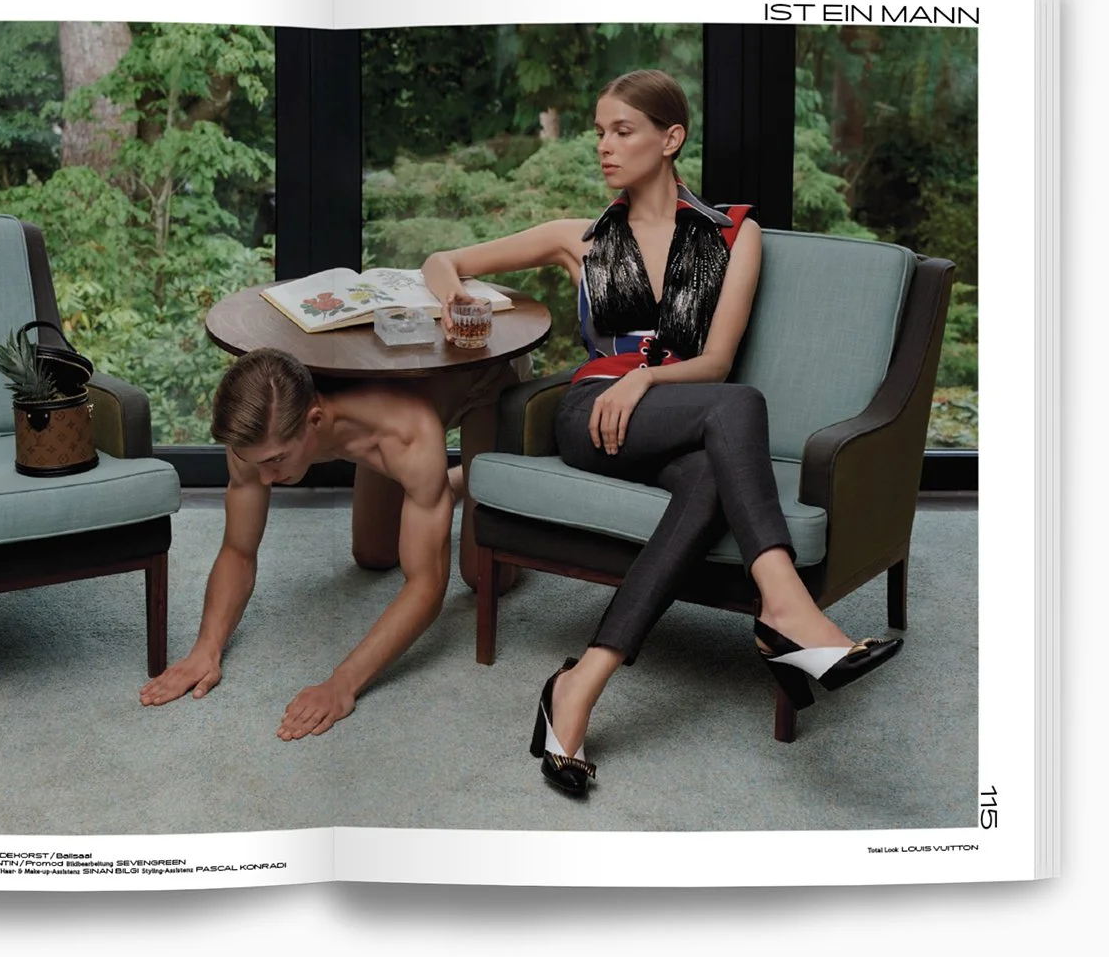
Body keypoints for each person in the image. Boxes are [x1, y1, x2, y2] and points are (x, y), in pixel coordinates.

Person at [420, 69, 902, 795]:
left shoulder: (732, 233)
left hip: (674, 413)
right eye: (599, 132)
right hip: (591, 416)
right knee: (739, 406)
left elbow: (716, 362)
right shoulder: (581, 238)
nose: (604, 147)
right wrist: (456, 297)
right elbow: (442, 261)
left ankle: (579, 685)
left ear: (671, 138)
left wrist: (644, 378)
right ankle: (786, 612)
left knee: (712, 462)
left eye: (623, 131)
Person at [138, 347, 455, 740]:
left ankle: (445, 487)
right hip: (382, 430)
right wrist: (206, 648)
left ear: (315, 420)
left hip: (473, 388)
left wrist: (342, 684)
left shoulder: (409, 435)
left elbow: (428, 586)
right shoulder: (256, 438)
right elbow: (238, 549)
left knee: (484, 576)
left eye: (276, 460)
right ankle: (434, 494)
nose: (265, 479)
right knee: (373, 554)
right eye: (257, 464)